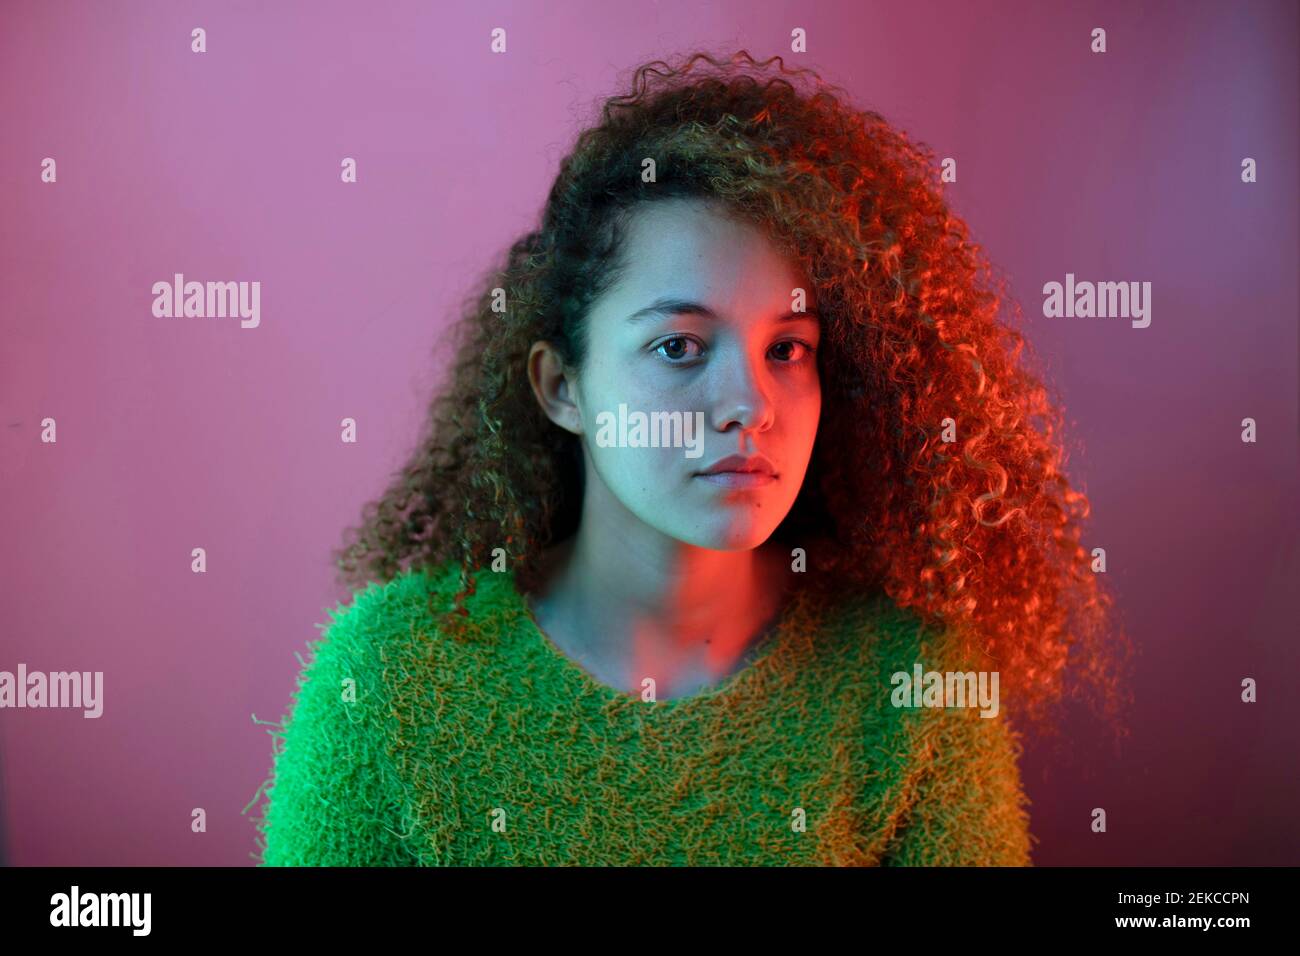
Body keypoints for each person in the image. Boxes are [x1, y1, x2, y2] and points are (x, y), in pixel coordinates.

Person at [248, 50, 1129, 866]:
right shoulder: (392, 675)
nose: (749, 405)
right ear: (563, 387)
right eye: (678, 348)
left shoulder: (915, 681)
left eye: (788, 349)